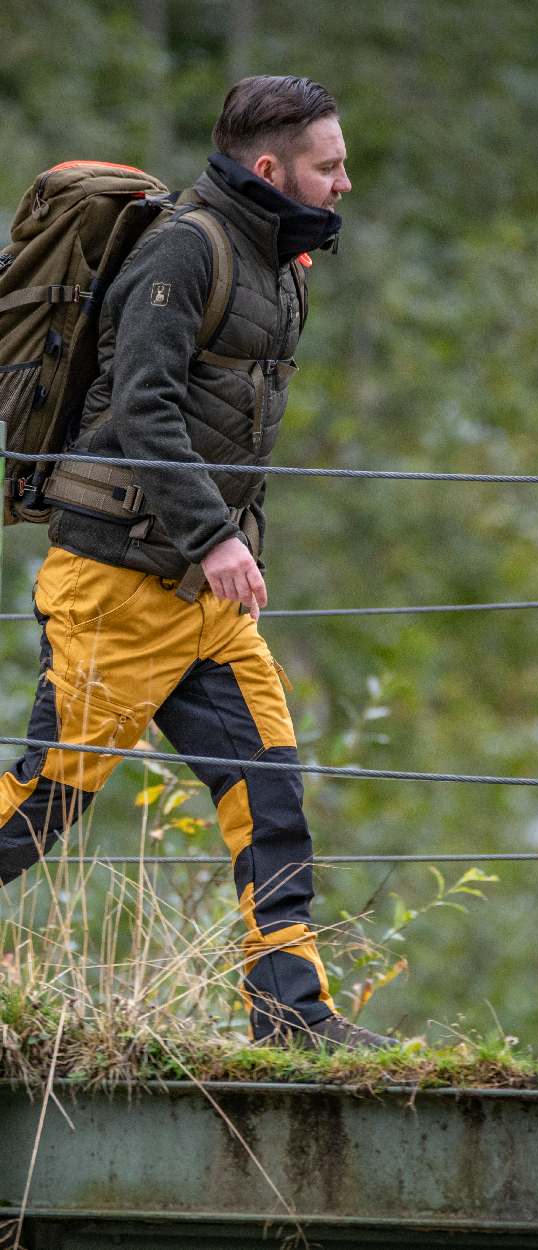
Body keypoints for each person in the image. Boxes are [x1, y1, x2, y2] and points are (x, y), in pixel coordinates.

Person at [0, 75, 394, 1050]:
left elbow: (233, 434)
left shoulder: (283, 260)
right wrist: (216, 538)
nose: (345, 181)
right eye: (329, 164)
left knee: (267, 790)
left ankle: (292, 1015)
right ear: (273, 168)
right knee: (40, 805)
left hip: (201, 599)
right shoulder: (187, 249)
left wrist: (233, 547)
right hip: (119, 584)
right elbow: (142, 408)